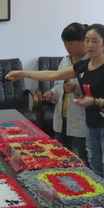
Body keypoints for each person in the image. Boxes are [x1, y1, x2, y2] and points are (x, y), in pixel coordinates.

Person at [7, 24, 104, 191]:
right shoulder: (84, 65)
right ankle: (101, 204)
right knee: (95, 174)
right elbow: (53, 75)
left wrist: (95, 102)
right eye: (87, 41)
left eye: (95, 41)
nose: (90, 45)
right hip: (91, 125)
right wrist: (24, 73)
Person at [43, 22, 89, 165]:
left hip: (81, 117)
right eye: (65, 44)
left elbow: (96, 89)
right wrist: (53, 94)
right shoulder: (65, 60)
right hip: (62, 115)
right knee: (62, 155)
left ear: (82, 42)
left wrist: (76, 89)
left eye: (70, 44)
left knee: (84, 157)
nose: (67, 48)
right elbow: (58, 85)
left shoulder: (90, 61)